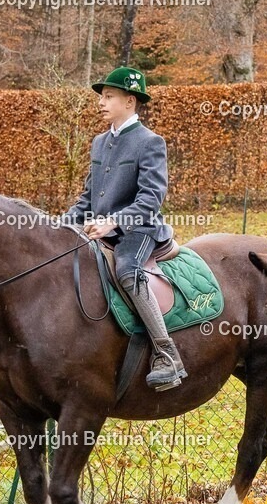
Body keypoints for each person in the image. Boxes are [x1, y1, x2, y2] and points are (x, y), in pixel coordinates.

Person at [63, 66, 188, 390]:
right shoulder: (99, 142)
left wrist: (112, 222)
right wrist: (60, 224)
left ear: (129, 101)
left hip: (139, 230)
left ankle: (167, 354)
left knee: (127, 271)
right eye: (101, 97)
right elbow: (88, 197)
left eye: (108, 97)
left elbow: (151, 199)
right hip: (99, 229)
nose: (101, 103)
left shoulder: (150, 142)